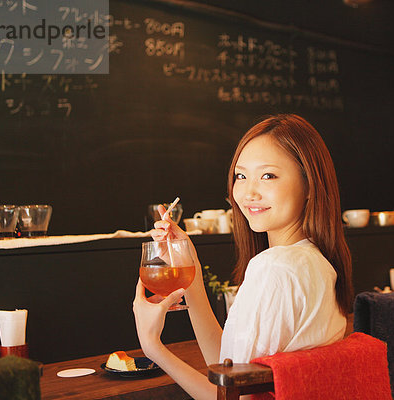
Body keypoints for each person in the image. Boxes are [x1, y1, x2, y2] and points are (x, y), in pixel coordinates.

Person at [133, 114, 353, 399]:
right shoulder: (316, 262)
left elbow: (229, 397)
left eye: (268, 176)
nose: (248, 192)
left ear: (309, 184)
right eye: (241, 176)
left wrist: (152, 347)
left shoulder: (275, 269)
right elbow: (230, 372)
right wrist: (192, 270)